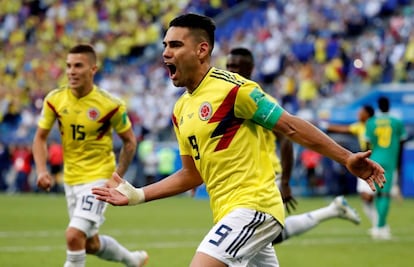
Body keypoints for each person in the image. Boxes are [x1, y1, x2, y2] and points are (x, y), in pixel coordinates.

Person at [92, 14, 385, 267]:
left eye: (176, 45)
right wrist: (138, 195)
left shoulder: (235, 90)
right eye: (165, 45)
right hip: (228, 212)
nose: (166, 53)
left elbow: (291, 127)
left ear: (202, 50)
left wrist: (346, 157)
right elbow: (191, 175)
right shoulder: (181, 109)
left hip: (254, 207)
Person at [226, 47, 361, 246]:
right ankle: (333, 210)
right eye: (228, 66)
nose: (230, 71)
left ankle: (332, 210)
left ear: (250, 69)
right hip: (244, 178)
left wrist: (285, 182)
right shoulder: (228, 100)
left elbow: (286, 139)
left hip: (267, 176)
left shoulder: (261, 101)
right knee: (262, 239)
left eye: (235, 66)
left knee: (247, 239)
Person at [32, 44, 148, 267]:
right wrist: (41, 170)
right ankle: (133, 260)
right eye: (68, 66)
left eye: (78, 66)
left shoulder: (110, 105)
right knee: (89, 244)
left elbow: (130, 142)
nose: (71, 71)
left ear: (93, 69)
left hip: (99, 179)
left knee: (73, 236)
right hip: (71, 179)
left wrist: (116, 178)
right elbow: (39, 138)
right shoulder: (54, 100)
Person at [323, 105, 377, 231]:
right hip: (365, 162)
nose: (359, 114)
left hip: (376, 159)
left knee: (369, 196)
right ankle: (378, 225)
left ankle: (380, 223)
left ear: (368, 114)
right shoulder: (359, 126)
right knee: (365, 197)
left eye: (361, 112)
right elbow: (344, 129)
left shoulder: (375, 125)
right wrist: (325, 126)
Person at [365, 96, 407, 240]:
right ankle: (381, 227)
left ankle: (378, 226)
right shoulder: (397, 122)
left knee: (378, 194)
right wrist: (399, 164)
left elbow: (368, 144)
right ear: (389, 106)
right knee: (385, 195)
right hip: (390, 160)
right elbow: (402, 143)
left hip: (375, 159)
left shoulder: (371, 122)